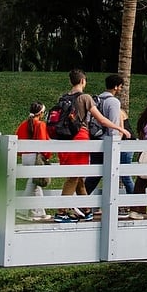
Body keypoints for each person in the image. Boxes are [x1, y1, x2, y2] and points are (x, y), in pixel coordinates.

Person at [55, 93, 95, 222]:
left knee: (78, 178)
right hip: (79, 138)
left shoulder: (63, 98)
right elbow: (99, 117)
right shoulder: (85, 98)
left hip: (67, 138)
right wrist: (119, 128)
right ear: (83, 81)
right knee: (73, 177)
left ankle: (87, 210)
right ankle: (61, 212)